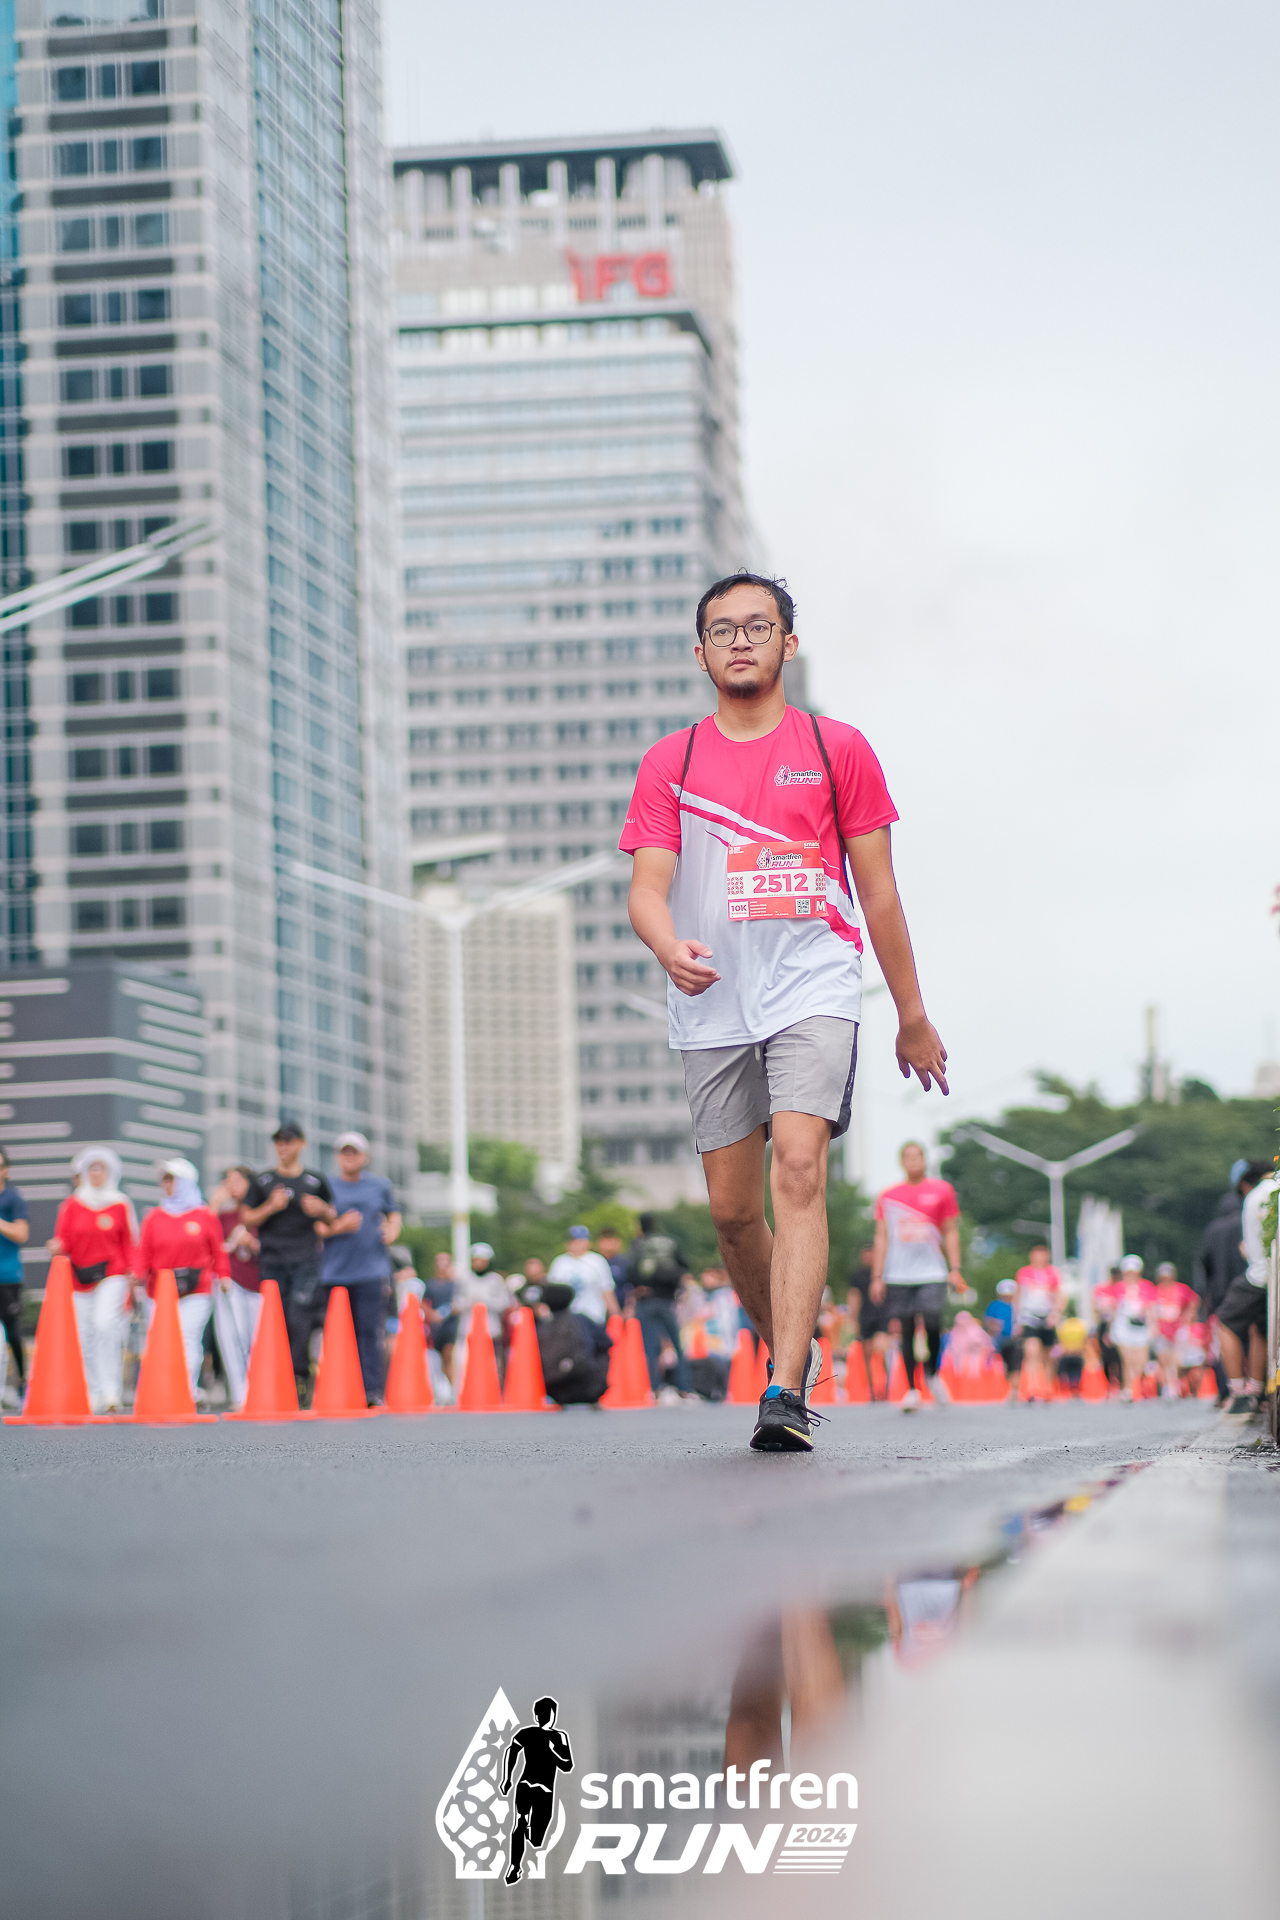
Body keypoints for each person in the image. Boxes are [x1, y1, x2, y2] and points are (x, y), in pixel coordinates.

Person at [621, 570, 949, 1452]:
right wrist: (667, 946)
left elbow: (879, 893)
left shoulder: (837, 749)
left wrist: (911, 1013)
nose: (740, 641)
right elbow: (647, 887)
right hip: (711, 997)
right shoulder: (673, 762)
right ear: (700, 654)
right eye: (722, 630)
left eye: (757, 626)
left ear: (788, 644)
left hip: (814, 985)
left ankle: (785, 1388)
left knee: (799, 1167)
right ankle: (793, 1343)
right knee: (733, 1214)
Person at [240, 1123, 336, 1403]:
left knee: (299, 1319)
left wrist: (321, 1210)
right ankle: (274, 1380)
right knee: (275, 1320)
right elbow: (246, 1217)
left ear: (301, 1144)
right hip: (272, 1260)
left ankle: (300, 1378)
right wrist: (271, 1206)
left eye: (288, 1142)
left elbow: (332, 1216)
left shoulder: (315, 1181)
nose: (282, 1147)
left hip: (305, 1261)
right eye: (279, 1142)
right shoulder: (263, 1181)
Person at [870, 1142, 965, 1411]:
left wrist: (955, 1269)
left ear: (924, 1160)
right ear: (902, 1162)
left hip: (932, 1270)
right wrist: (877, 1276)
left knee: (933, 1318)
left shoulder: (941, 1190)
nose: (913, 1161)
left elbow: (951, 1231)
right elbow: (881, 1236)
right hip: (899, 1273)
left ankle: (933, 1374)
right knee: (907, 1328)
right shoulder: (888, 1196)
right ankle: (912, 1389)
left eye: (918, 1156)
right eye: (908, 1157)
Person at [47, 1147, 137, 1414]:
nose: (96, 1174)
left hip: (112, 1273)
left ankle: (111, 1390)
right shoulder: (72, 1204)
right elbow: (64, 1239)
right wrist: (57, 1246)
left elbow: (130, 1242)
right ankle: (93, 1391)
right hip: (79, 1276)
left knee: (104, 1325)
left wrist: (133, 1272)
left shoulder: (120, 1203)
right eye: (92, 1169)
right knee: (84, 1335)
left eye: (101, 1168)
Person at [316, 1132, 401, 1407]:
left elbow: (394, 1213)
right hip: (334, 1272)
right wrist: (339, 1227)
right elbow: (317, 1227)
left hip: (371, 1270)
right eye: (344, 1152)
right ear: (337, 1156)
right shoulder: (326, 1186)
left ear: (365, 1157)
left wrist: (392, 1229)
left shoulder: (379, 1185)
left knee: (370, 1332)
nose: (349, 1157)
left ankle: (372, 1391)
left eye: (354, 1152)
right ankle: (339, 1389)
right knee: (338, 1334)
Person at [134, 1159, 228, 1399]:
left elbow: (218, 1250)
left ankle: (185, 1390)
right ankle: (162, 1391)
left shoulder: (204, 1215)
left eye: (171, 1179)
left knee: (188, 1336)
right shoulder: (154, 1217)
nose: (166, 1184)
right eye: (164, 1179)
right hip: (159, 1290)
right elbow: (144, 1252)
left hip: (196, 1288)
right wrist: (136, 1276)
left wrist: (224, 1276)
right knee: (161, 1340)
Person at [1217, 1164, 1278, 1413]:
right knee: (1260, 1329)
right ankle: (1256, 1388)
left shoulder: (1256, 1195)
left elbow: (1251, 1248)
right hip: (1273, 1276)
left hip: (1259, 1275)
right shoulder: (1274, 1189)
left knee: (1225, 1321)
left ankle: (1239, 1390)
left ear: (1244, 1185)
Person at [499, 1696, 573, 1887]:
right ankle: (515, 1866)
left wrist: (551, 1752)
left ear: (553, 1714)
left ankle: (527, 1834)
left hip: (545, 1791)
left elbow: (567, 1765)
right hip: (527, 1785)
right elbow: (511, 1751)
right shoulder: (527, 1733)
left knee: (536, 1839)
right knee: (520, 1821)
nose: (545, 1717)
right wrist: (507, 1778)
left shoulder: (559, 1737)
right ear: (537, 1715)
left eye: (547, 1713)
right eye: (542, 1713)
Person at [625, 1211, 695, 1401]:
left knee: (650, 1347)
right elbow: (684, 1266)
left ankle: (654, 1388)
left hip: (645, 1299)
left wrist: (637, 1287)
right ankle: (684, 1388)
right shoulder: (670, 1242)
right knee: (677, 1346)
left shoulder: (637, 1245)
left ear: (639, 1226)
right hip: (667, 1300)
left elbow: (629, 1270)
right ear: (655, 1224)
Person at [208, 1165, 261, 1411]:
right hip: (230, 1282)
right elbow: (204, 1235)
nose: (231, 1185)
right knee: (232, 1335)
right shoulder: (223, 1216)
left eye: (237, 1180)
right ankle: (240, 1394)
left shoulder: (258, 1213)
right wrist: (214, 1203)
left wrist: (252, 1243)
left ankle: (258, 1389)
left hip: (258, 1283)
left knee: (255, 1338)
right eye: (227, 1180)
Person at [517, 1277, 612, 1409]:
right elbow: (606, 1342)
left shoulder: (543, 1326)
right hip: (589, 1387)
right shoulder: (581, 1320)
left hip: (556, 1390)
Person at [0, 1147, 30, 1405]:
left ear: (6, 1170)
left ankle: (22, 1380)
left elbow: (22, 1234)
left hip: (7, 1276)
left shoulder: (13, 1199)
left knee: (13, 1333)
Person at [547, 1226, 618, 1327]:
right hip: (566, 1318)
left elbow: (607, 1289)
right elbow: (552, 1291)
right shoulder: (560, 1262)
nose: (574, 1244)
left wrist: (615, 1314)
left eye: (578, 1241)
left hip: (593, 1316)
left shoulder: (597, 1261)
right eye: (572, 1241)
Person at [1014, 1243, 1063, 1388]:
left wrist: (1055, 1313)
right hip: (1029, 1317)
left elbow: (1060, 1296)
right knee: (1031, 1351)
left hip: (1047, 1317)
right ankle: (1033, 1386)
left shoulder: (1053, 1273)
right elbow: (1017, 1297)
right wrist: (1016, 1320)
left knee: (1048, 1354)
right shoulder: (1024, 1273)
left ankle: (1047, 1386)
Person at [1109, 1255, 1156, 1400]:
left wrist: (1153, 1326)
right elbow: (1114, 1309)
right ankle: (1128, 1390)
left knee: (1141, 1361)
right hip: (1123, 1326)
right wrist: (1110, 1329)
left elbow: (1150, 1308)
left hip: (1141, 1327)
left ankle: (1139, 1386)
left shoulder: (1147, 1286)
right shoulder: (1118, 1287)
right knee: (1127, 1360)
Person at [1151, 1261, 1197, 1398]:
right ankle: (1168, 1386)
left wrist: (1188, 1317)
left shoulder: (1182, 1289)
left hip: (1177, 1329)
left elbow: (1194, 1301)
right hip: (1161, 1329)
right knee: (1163, 1357)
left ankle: (1175, 1384)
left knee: (1176, 1358)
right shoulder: (1155, 1291)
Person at [983, 1279, 1021, 1391]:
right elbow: (988, 1320)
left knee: (1015, 1365)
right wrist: (994, 1326)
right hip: (999, 1340)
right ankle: (1005, 1387)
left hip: (1015, 1340)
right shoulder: (995, 1305)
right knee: (1003, 1365)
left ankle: (1014, 1389)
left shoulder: (1018, 1305)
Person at [596, 1227, 631, 1309]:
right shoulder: (594, 1262)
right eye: (606, 1240)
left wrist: (629, 1307)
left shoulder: (624, 1262)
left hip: (621, 1306)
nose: (608, 1244)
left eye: (611, 1240)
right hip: (598, 1308)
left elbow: (630, 1287)